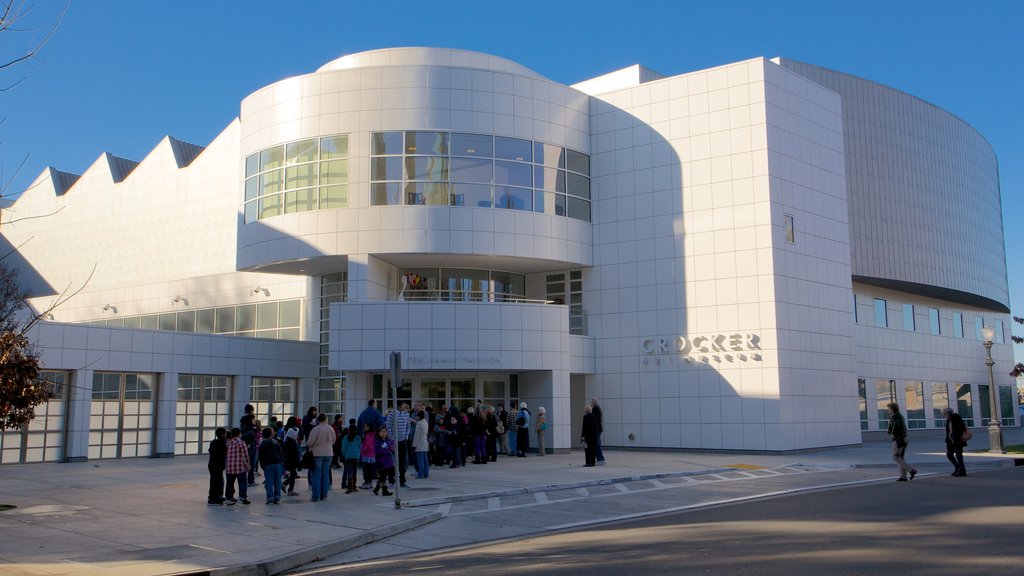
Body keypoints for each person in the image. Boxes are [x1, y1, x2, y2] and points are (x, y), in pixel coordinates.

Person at [305, 413, 336, 502]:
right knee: (325, 474)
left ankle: (316, 496)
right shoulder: (331, 428)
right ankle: (324, 495)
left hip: (317, 453)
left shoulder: (316, 429)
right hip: (329, 453)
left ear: (318, 420)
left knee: (316, 475)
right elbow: (334, 440)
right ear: (326, 419)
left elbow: (309, 443)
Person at [887, 402, 917, 482]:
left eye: (889, 409)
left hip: (898, 438)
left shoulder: (894, 416)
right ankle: (903, 476)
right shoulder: (900, 415)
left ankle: (911, 470)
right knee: (901, 457)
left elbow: (896, 426)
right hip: (904, 438)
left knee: (895, 456)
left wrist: (892, 433)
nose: (888, 411)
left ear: (892, 409)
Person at [224, 428, 251, 505]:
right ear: (239, 434)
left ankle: (229, 498)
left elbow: (226, 455)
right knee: (242, 482)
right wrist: (248, 465)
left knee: (230, 483)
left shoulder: (228, 443)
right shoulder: (241, 442)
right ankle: (242, 497)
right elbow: (245, 455)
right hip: (240, 467)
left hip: (230, 467)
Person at [257, 427, 283, 505]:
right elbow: (280, 452)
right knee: (278, 481)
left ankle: (270, 497)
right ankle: (277, 496)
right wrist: (281, 462)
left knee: (269, 482)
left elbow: (260, 456)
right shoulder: (275, 442)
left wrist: (262, 465)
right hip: (277, 463)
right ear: (271, 434)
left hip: (267, 465)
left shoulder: (262, 445)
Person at [387, 402, 411, 486]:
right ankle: (392, 480)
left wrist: (406, 437)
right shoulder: (391, 414)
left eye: (405, 405)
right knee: (393, 462)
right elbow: (388, 426)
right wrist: (392, 438)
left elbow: (408, 426)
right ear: (398, 406)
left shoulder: (406, 414)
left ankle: (402, 481)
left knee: (402, 462)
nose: (404, 406)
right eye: (403, 405)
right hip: (394, 441)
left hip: (403, 441)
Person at [943, 407, 968, 476]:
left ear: (948, 413)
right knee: (949, 454)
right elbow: (948, 431)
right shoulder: (949, 420)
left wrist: (956, 437)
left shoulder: (956, 418)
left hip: (957, 440)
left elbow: (961, 429)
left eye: (945, 414)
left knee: (959, 455)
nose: (944, 416)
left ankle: (962, 471)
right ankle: (957, 468)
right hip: (951, 441)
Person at [207, 427, 227, 505]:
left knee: (214, 481)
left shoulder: (213, 442)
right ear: (222, 434)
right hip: (218, 465)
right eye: (225, 434)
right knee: (218, 481)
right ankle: (217, 497)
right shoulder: (222, 443)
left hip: (212, 465)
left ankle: (213, 497)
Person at [239, 404, 258, 485]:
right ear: (252, 410)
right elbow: (254, 430)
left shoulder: (242, 419)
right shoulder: (252, 418)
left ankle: (244, 480)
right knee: (252, 462)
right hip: (251, 442)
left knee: (244, 461)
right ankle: (251, 480)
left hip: (244, 441)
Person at [374, 426, 395, 496]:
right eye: (382, 431)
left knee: (386, 475)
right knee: (383, 477)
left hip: (389, 461)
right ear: (379, 433)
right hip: (381, 462)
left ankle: (377, 488)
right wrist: (386, 450)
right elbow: (377, 451)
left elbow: (392, 448)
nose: (383, 433)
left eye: (385, 431)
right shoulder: (377, 441)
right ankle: (384, 490)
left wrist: (389, 448)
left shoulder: (388, 440)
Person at [341, 424, 361, 493]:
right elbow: (359, 447)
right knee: (355, 472)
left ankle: (349, 487)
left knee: (349, 472)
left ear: (349, 430)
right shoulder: (358, 437)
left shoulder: (345, 437)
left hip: (348, 456)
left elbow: (343, 448)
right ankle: (354, 486)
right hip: (356, 456)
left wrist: (345, 455)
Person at [282, 424, 300, 496]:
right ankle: (290, 490)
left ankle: (285, 484)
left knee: (293, 474)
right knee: (293, 474)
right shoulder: (292, 443)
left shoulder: (287, 441)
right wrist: (298, 464)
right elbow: (294, 455)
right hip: (291, 462)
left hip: (288, 461)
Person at [412, 410, 430, 478]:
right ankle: (426, 473)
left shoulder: (419, 423)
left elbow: (417, 436)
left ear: (419, 416)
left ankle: (421, 474)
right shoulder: (426, 423)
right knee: (425, 459)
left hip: (419, 443)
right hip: (425, 442)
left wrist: (414, 445)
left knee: (420, 460)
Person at [360, 422, 377, 488]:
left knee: (366, 470)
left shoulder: (368, 435)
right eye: (364, 426)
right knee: (368, 470)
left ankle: (367, 483)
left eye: (366, 426)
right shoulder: (372, 434)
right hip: (371, 455)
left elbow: (368, 446)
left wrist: (363, 450)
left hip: (367, 454)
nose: (365, 428)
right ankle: (369, 483)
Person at [591, 397, 606, 465]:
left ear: (595, 402)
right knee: (597, 444)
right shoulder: (598, 408)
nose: (591, 402)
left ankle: (600, 459)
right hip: (599, 429)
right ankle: (601, 459)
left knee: (596, 444)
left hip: (597, 429)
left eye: (592, 401)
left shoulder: (595, 408)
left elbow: (595, 420)